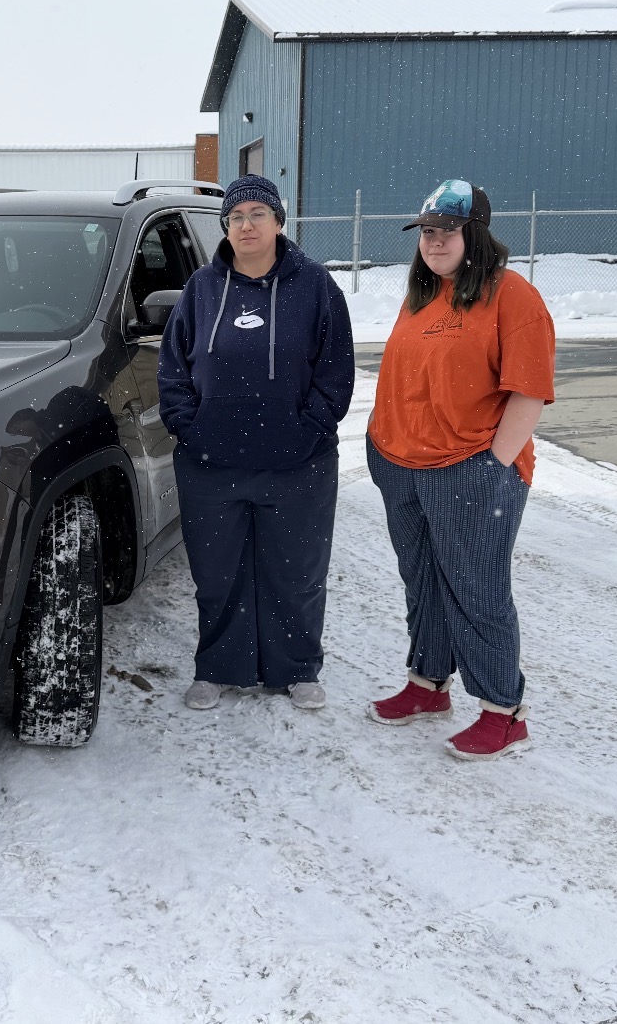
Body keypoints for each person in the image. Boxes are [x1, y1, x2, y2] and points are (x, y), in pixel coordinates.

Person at [365, 179, 555, 760]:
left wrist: (493, 466)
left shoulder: (512, 296)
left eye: (447, 229)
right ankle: (428, 684)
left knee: (477, 590)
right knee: (422, 582)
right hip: (402, 464)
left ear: (476, 233)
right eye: (426, 230)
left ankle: (502, 710)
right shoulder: (423, 296)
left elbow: (529, 392)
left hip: (470, 469)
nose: (434, 241)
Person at [159, 174, 354, 712]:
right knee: (218, 573)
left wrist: (308, 430)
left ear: (278, 222)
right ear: (226, 226)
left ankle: (297, 669)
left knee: (296, 572)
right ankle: (218, 667)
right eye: (236, 217)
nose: (246, 225)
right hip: (211, 464)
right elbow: (173, 369)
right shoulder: (201, 289)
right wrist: (190, 428)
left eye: (257, 215)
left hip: (298, 465)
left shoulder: (315, 286)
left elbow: (335, 371)